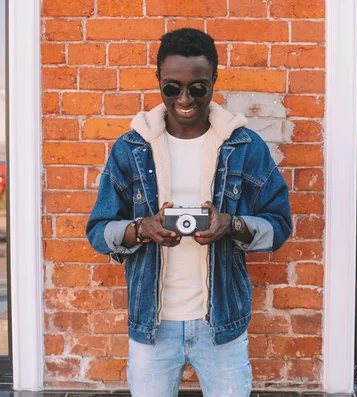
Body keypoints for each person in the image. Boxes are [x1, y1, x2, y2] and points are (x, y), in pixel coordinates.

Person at [86, 28, 292, 397]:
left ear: (213, 80)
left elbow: (279, 225)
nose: (184, 98)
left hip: (221, 324)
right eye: (172, 88)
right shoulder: (131, 148)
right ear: (158, 82)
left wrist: (231, 225)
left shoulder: (243, 145)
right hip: (153, 323)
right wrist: (142, 228)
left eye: (197, 88)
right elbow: (97, 231)